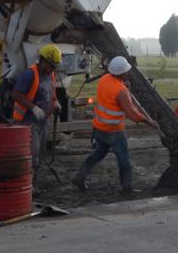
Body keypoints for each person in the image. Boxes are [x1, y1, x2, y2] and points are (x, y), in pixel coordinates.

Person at [71, 56, 160, 194]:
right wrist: (149, 122)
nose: (128, 73)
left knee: (97, 154)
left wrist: (125, 88)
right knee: (123, 159)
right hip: (114, 132)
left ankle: (79, 177)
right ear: (122, 73)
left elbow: (114, 97)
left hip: (100, 128)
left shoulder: (104, 80)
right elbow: (132, 113)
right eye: (126, 71)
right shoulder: (121, 91)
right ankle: (127, 188)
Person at [11, 44, 62, 177]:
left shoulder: (50, 75)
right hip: (27, 123)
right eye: (52, 66)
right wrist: (33, 108)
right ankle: (27, 185)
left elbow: (50, 92)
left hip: (42, 122)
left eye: (55, 67)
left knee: (40, 154)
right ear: (43, 61)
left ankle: (34, 183)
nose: (53, 69)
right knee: (31, 155)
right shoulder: (29, 74)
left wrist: (55, 102)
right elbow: (16, 94)